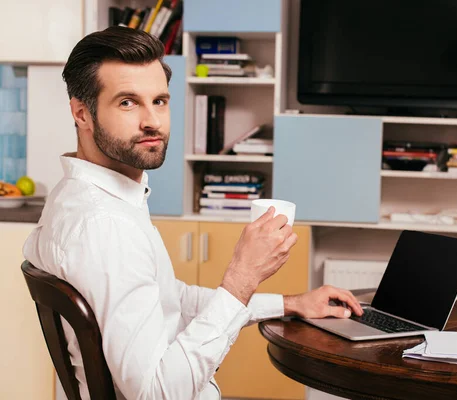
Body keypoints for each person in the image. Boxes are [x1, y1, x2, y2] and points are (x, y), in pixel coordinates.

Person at [22, 26, 363, 400]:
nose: (152, 121)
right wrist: (241, 277)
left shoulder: (81, 195)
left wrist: (289, 304)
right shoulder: (106, 225)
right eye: (127, 102)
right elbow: (156, 394)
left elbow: (170, 299)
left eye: (160, 101)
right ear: (82, 114)